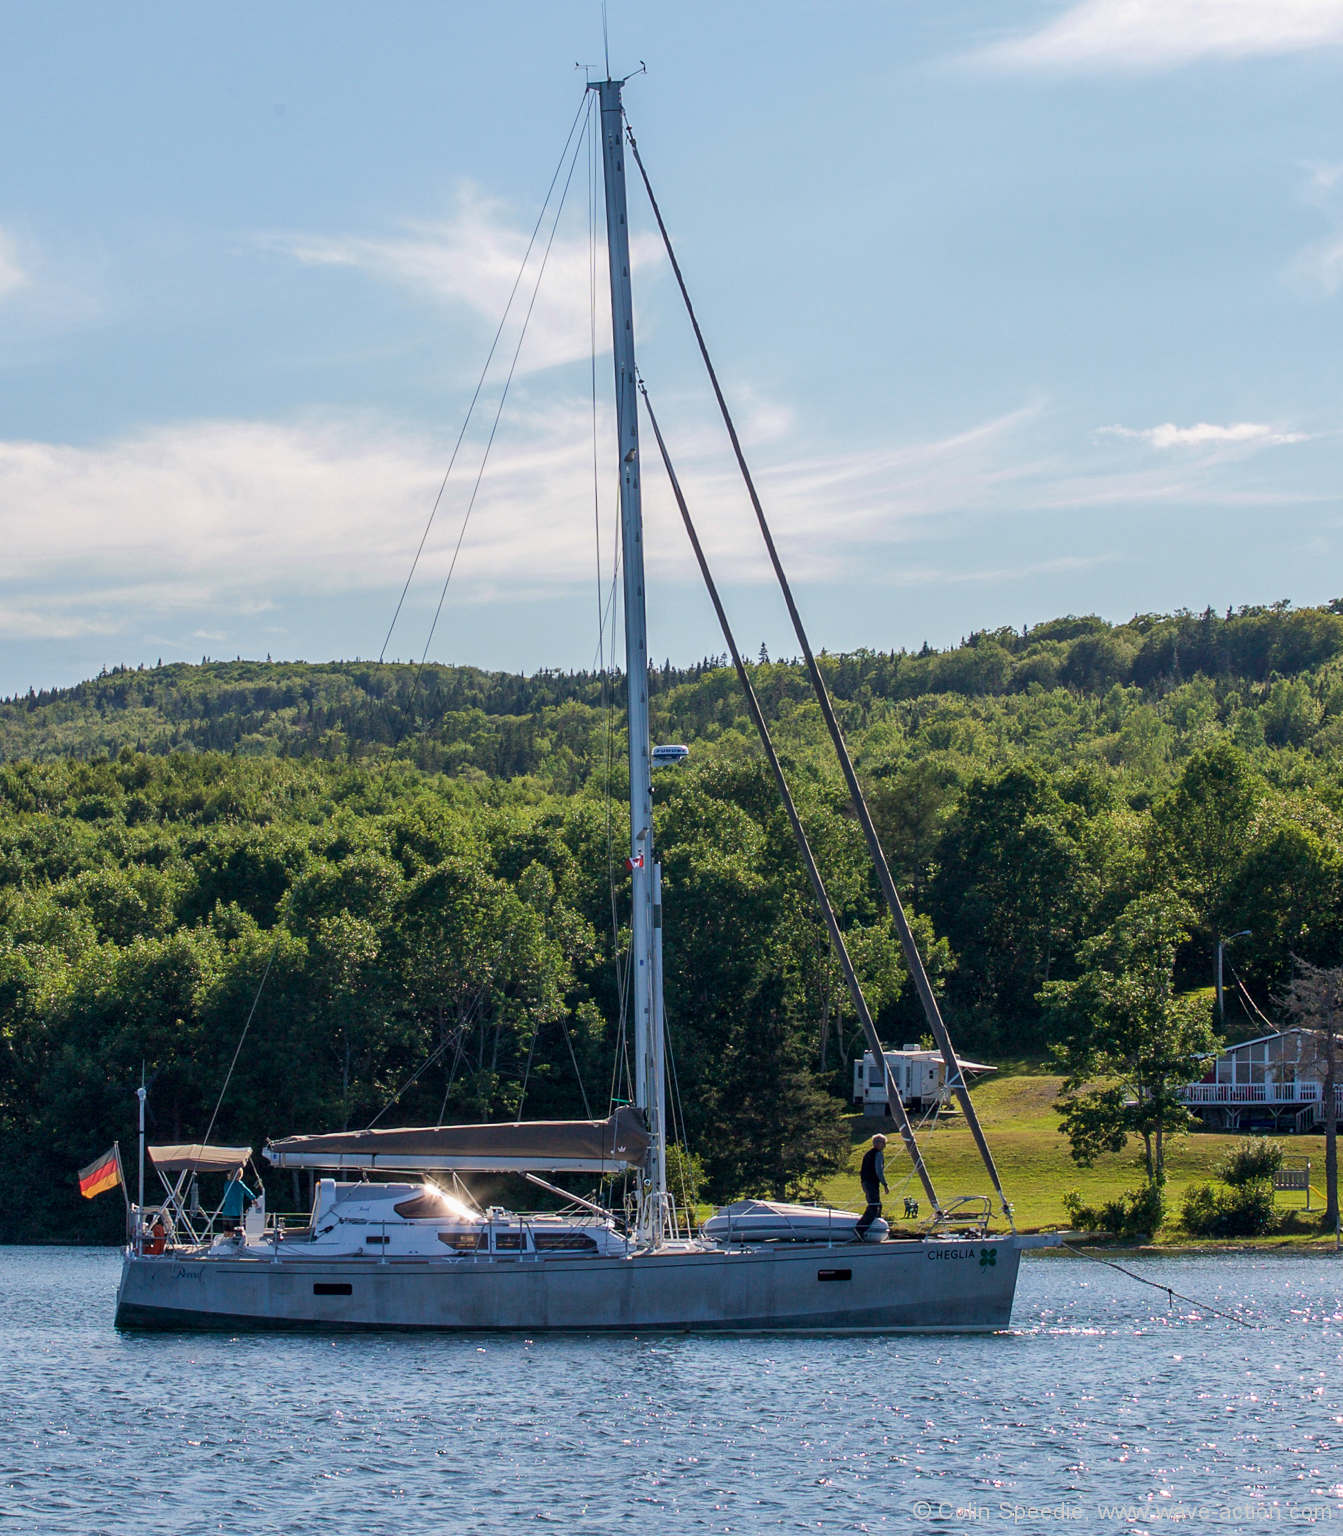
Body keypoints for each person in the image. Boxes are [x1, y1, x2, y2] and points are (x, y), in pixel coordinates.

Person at [855, 1134, 888, 1239]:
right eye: (883, 1143)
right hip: (871, 1182)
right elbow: (879, 1171)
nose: (885, 1145)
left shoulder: (868, 1154)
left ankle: (876, 1229)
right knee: (874, 1206)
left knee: (878, 1205)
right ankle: (859, 1229)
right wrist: (885, 1184)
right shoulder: (877, 1154)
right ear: (877, 1143)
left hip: (865, 1182)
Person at [221, 1166, 256, 1232]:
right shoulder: (239, 1184)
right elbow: (248, 1192)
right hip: (235, 1213)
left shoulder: (227, 1184)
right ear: (240, 1175)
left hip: (226, 1212)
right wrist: (254, 1199)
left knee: (227, 1233)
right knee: (234, 1233)